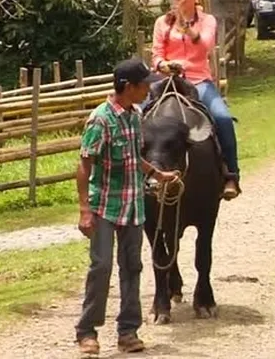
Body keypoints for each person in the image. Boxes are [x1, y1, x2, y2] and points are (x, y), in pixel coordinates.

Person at [75, 58, 179, 356]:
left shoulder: (135, 116)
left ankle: (128, 331)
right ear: (127, 87)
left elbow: (134, 157)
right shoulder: (100, 120)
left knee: (132, 267)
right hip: (105, 206)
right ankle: (87, 331)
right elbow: (84, 166)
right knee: (102, 266)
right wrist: (84, 210)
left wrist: (158, 174)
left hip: (133, 206)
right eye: (144, 84)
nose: (149, 89)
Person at [151, 0, 242, 199]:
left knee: (222, 118)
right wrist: (165, 64)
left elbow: (205, 47)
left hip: (198, 80)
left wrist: (186, 26)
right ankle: (135, 173)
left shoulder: (208, 21)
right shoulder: (162, 22)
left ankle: (231, 175)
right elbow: (156, 56)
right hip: (168, 81)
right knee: (140, 115)